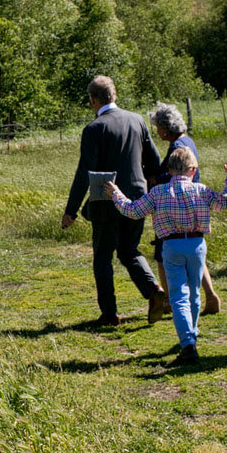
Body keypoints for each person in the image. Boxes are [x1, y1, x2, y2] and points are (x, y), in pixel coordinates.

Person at [106, 147, 227, 365]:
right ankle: (191, 335)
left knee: (178, 296)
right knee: (194, 292)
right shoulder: (201, 190)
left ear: (169, 170)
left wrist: (116, 193)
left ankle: (188, 344)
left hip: (171, 245)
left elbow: (133, 211)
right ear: (193, 170)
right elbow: (226, 200)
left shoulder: (158, 192)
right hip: (196, 244)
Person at [62, 76, 168, 325]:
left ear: (93, 100)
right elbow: (154, 161)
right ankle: (154, 290)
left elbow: (84, 173)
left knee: (103, 256)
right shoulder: (137, 120)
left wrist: (71, 210)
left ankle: (109, 314)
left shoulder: (94, 129)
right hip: (138, 197)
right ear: (114, 95)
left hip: (106, 200)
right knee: (129, 250)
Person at [149, 102, 221, 315]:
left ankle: (171, 301)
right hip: (193, 203)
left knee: (163, 255)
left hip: (174, 206)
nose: (157, 132)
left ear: (165, 128)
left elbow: (170, 175)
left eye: (158, 127)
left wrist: (154, 179)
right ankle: (211, 296)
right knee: (195, 254)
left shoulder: (177, 147)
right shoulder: (188, 141)